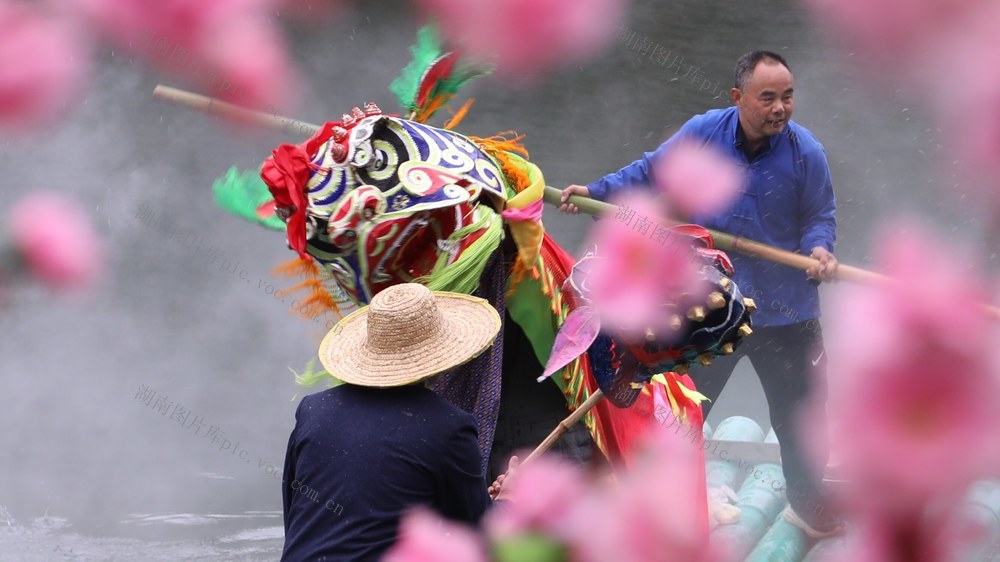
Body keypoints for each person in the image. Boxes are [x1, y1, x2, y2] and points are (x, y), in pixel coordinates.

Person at [559, 51, 840, 537]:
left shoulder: (806, 153)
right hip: (713, 307)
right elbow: (651, 173)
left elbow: (820, 216)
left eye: (787, 97)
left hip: (787, 312)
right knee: (681, 409)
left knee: (801, 417)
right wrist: (597, 192)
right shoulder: (705, 133)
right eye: (767, 98)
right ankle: (666, 502)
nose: (780, 108)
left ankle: (810, 508)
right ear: (738, 97)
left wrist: (820, 249)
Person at [280, 282, 513, 561]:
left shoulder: (313, 410)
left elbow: (295, 516)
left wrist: (480, 500)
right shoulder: (450, 426)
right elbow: (481, 535)